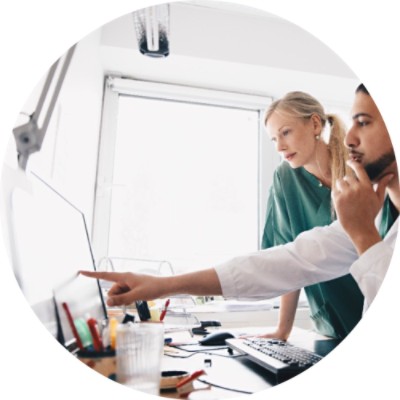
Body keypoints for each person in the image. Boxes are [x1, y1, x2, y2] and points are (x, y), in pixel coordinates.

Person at [81, 84, 398, 315]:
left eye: (365, 122)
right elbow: (288, 262)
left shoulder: (365, 211)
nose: (350, 136)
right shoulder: (293, 183)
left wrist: (363, 233)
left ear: (314, 124)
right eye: (353, 121)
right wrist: (162, 285)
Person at [260, 92, 363, 341]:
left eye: (286, 133)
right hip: (330, 324)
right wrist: (282, 330)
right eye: (274, 138)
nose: (279, 146)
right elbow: (288, 258)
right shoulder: (285, 179)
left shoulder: (358, 169)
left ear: (315, 124)